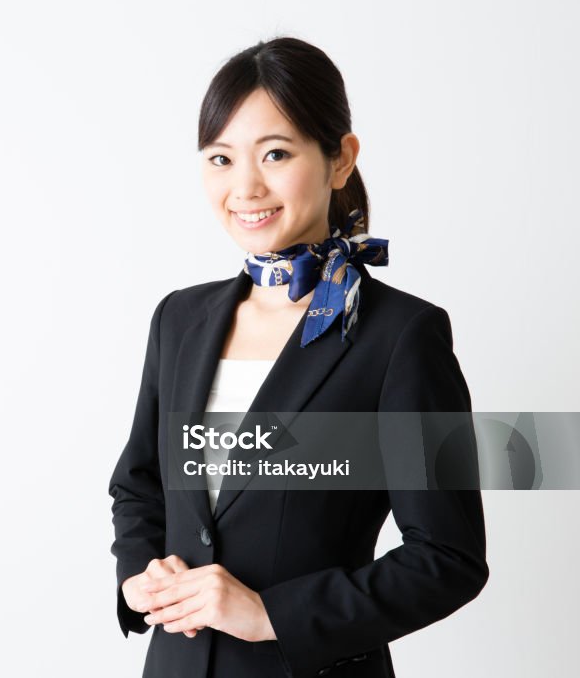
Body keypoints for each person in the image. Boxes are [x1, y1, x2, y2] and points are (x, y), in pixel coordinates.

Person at [107, 37, 488, 678]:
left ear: (340, 159)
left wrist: (270, 614)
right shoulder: (180, 319)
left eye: (276, 154)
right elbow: (139, 483)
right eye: (221, 159)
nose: (245, 186)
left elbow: (447, 556)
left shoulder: (402, 335)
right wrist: (141, 573)